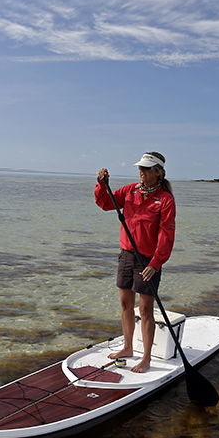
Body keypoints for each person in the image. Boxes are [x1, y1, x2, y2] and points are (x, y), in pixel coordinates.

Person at [95, 152, 175, 373]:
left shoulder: (166, 199)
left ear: (158, 172)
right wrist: (102, 184)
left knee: (146, 309)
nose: (142, 171)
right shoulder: (130, 191)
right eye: (141, 167)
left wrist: (156, 263)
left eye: (147, 168)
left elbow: (166, 235)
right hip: (127, 255)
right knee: (125, 305)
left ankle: (147, 358)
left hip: (148, 260)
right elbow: (104, 203)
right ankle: (128, 347)